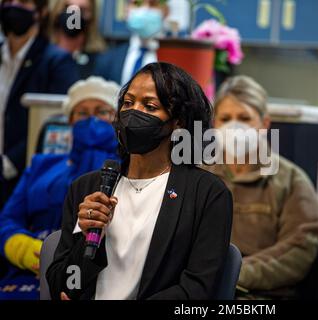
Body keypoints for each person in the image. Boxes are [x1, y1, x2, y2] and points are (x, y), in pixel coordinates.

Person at [46, 62, 233, 300]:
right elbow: (62, 285)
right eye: (127, 103)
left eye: (150, 106)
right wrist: (85, 239)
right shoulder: (87, 188)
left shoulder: (206, 194)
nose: (133, 113)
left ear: (179, 123)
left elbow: (198, 290)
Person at [204, 75, 318, 299]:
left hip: (261, 297)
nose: (234, 127)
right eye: (226, 118)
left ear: (264, 124)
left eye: (244, 118)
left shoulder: (291, 181)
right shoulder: (199, 176)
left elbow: (300, 247)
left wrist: (234, 274)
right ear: (215, 124)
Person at [0, 76, 119, 300]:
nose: (92, 120)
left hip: (93, 274)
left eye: (102, 112)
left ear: (116, 120)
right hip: (27, 272)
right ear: (70, 119)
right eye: (82, 113)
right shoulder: (41, 164)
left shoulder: (125, 171)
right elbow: (7, 220)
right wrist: (26, 251)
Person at [0, 0, 80, 210]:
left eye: (24, 2)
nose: (14, 6)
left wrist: (7, 163)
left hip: (21, 175)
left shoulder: (57, 61)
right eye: (8, 1)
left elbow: (54, 123)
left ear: (41, 12)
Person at [94, 0, 168, 85]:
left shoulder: (175, 59)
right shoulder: (106, 59)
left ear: (166, 10)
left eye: (152, 4)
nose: (145, 9)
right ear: (126, 10)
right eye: (137, 3)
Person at [49, 0, 107, 78]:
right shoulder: (41, 57)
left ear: (91, 16)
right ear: (57, 11)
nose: (73, 15)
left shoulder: (101, 62)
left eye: (82, 10)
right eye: (68, 7)